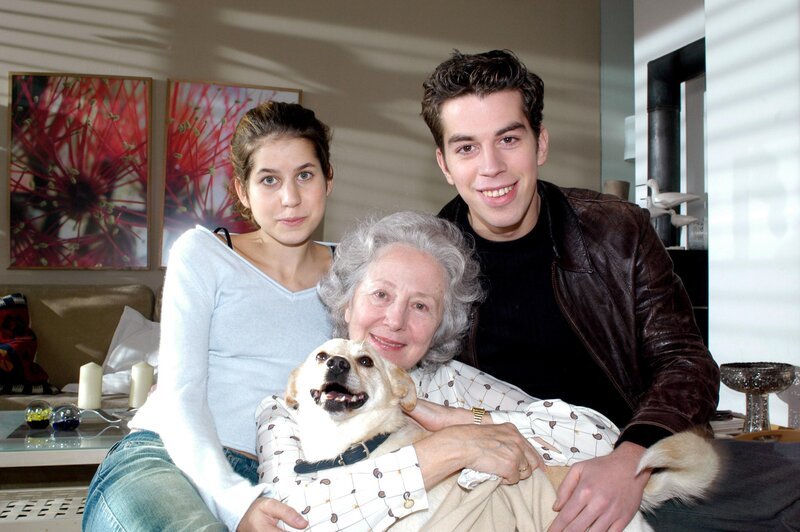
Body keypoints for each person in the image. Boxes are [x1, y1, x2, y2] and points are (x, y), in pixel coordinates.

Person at [421, 49, 800, 531]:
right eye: (466, 148)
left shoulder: (618, 230)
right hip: (509, 481)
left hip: (637, 461)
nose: (491, 166)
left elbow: (686, 362)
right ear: (444, 163)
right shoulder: (425, 263)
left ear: (540, 143)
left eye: (509, 139)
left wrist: (630, 460)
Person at [256, 211, 621, 530]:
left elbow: (601, 440)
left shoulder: (455, 383)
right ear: (348, 304)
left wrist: (453, 418)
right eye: (381, 294)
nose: (395, 320)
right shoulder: (289, 407)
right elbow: (287, 518)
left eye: (420, 306)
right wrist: (450, 449)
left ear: (440, 325)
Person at [83, 101, 336, 531]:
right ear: (242, 191)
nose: (290, 198)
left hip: (289, 479)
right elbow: (180, 395)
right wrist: (235, 500)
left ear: (328, 179)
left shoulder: (357, 272)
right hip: (167, 460)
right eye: (269, 179)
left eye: (305, 175)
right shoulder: (203, 254)